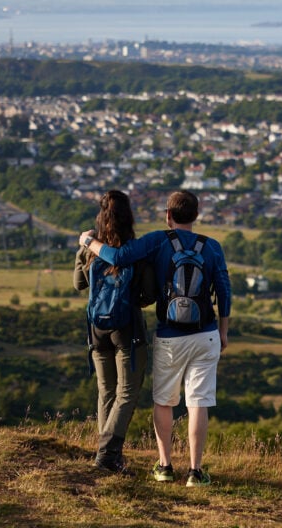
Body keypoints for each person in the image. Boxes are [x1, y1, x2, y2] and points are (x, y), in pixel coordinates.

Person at [79, 190, 231, 487]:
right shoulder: (212, 247)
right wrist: (223, 330)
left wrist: (87, 241)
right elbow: (224, 291)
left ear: (168, 215)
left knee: (164, 401)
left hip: (169, 335)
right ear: (196, 216)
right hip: (206, 334)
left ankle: (164, 466)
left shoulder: (158, 240)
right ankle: (196, 472)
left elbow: (118, 256)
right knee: (198, 402)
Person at [73, 189, 149, 473]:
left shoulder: (91, 246)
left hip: (96, 328)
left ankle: (104, 454)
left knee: (105, 391)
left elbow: (79, 284)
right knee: (127, 393)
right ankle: (107, 456)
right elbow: (148, 294)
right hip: (127, 329)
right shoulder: (134, 250)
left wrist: (84, 247)